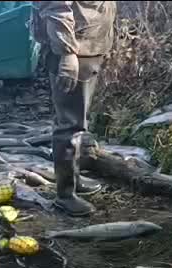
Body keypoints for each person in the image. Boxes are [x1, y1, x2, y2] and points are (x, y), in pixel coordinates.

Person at [32, 1, 116, 217]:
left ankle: (74, 178)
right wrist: (67, 54)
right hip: (73, 49)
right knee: (69, 123)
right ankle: (65, 195)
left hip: (89, 43)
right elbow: (56, 6)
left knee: (78, 121)